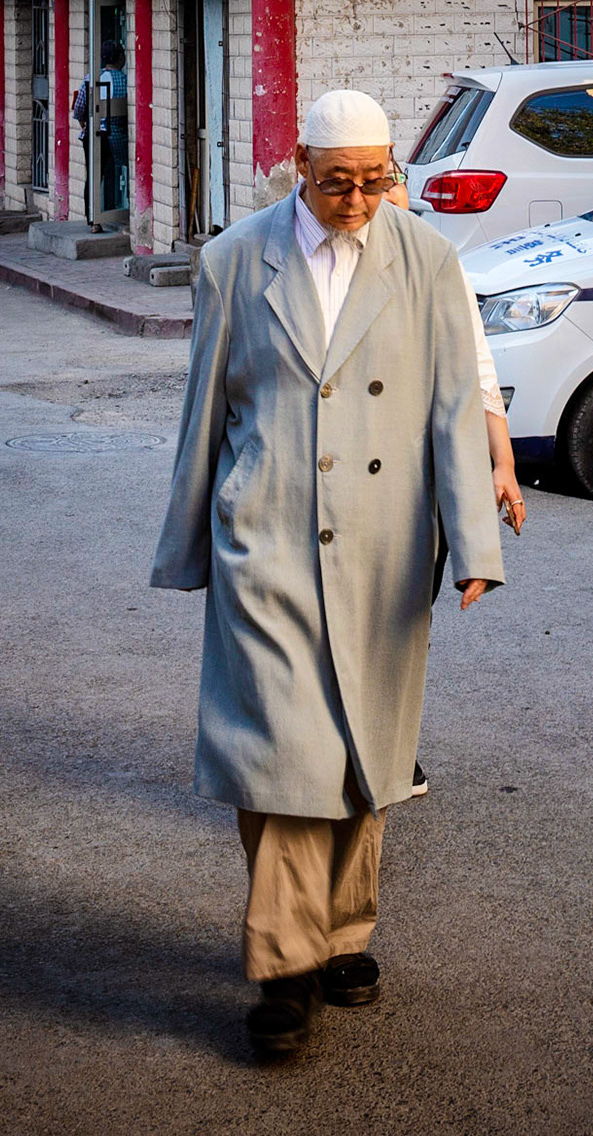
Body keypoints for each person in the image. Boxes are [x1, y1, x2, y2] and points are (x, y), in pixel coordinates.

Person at [150, 90, 505, 1056]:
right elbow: (205, 409)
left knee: (364, 752)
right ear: (298, 163)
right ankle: (285, 969)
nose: (358, 199)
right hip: (263, 537)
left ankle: (341, 933)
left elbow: (451, 402)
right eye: (338, 180)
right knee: (282, 751)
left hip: (387, 541)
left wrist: (475, 543)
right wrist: (190, 541)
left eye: (376, 179)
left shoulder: (426, 257)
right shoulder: (233, 259)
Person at [384, 160, 524, 798]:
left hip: (417, 477)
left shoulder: (435, 263)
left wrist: (503, 465)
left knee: (404, 618)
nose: (382, 198)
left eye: (389, 182)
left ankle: (391, 747)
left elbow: (477, 366)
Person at [72, 40, 128, 233]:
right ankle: (120, 211)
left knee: (95, 176)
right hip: (119, 136)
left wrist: (88, 126)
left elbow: (79, 111)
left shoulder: (91, 79)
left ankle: (94, 220)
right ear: (121, 58)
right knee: (118, 172)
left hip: (95, 136)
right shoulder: (126, 80)